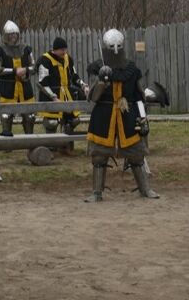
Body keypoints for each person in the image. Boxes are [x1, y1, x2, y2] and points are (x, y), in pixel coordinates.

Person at [84, 28, 159, 202]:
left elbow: (139, 96)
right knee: (99, 155)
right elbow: (93, 97)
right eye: (112, 47)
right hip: (104, 115)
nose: (115, 51)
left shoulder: (131, 70)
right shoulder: (98, 68)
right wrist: (102, 81)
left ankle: (145, 189)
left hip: (127, 113)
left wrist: (143, 118)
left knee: (136, 153)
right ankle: (97, 193)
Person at [35, 36, 88, 136]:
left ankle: (66, 145)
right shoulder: (45, 60)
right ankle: (52, 147)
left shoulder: (68, 58)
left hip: (67, 95)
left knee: (74, 120)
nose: (64, 52)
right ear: (55, 50)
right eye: (61, 50)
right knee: (52, 123)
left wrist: (83, 85)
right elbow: (42, 83)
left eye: (65, 49)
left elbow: (74, 76)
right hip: (50, 96)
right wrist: (53, 97)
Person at [0, 20, 36, 136]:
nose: (13, 37)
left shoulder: (26, 49)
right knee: (6, 116)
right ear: (5, 35)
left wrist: (25, 70)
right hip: (7, 87)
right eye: (10, 34)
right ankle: (6, 141)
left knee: (29, 116)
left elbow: (34, 67)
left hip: (25, 86)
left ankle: (30, 141)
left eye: (15, 34)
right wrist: (15, 71)